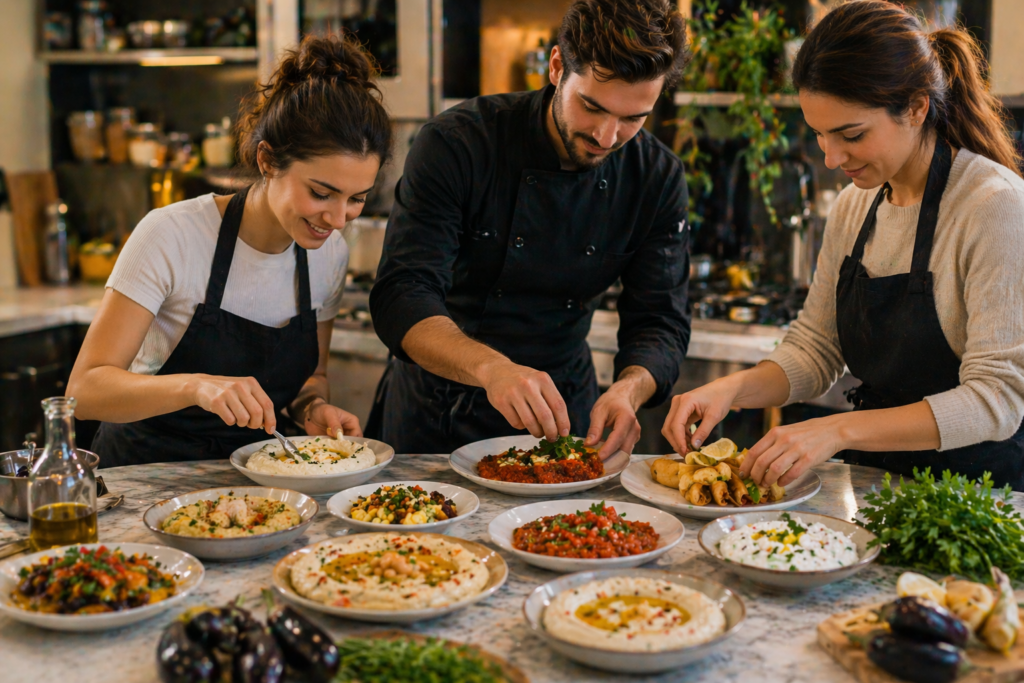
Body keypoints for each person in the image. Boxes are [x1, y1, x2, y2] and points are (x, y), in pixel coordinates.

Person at [662, 0, 1024, 490]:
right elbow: (817, 349)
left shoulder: (993, 206)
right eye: (819, 135)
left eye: (850, 134)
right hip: (878, 489)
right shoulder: (856, 205)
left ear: (916, 107)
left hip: (978, 499)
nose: (830, 158)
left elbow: (996, 399)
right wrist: (732, 389)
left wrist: (835, 429)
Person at [366, 0, 692, 456]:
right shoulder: (458, 144)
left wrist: (629, 390)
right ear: (557, 66)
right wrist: (492, 369)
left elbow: (659, 319)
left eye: (633, 119)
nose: (606, 136)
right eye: (592, 107)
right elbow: (402, 294)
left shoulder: (656, 177)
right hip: (437, 415)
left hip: (564, 418)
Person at [66, 34, 392, 466]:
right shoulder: (172, 234)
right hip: (145, 481)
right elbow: (84, 391)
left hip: (261, 488)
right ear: (267, 161)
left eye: (356, 199)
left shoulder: (327, 254)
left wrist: (312, 408)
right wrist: (196, 386)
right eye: (320, 193)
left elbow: (313, 376)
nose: (336, 220)